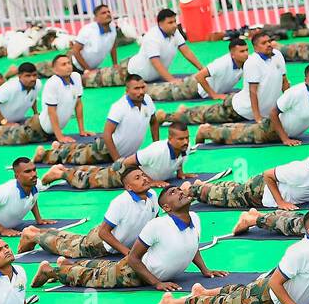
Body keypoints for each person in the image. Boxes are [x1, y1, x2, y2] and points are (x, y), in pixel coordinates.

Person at [155, 208, 309, 304]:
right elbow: (275, 284)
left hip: (269, 290)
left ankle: (203, 291)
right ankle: (172, 303)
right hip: (268, 300)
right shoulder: (301, 251)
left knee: (241, 290)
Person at [31, 185, 224, 290]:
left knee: (101, 268)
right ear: (166, 208)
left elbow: (192, 245)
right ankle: (52, 271)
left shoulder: (196, 219)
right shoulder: (158, 225)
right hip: (134, 273)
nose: (181, 192)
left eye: (180, 191)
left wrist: (205, 270)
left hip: (142, 271)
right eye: (173, 192)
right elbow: (132, 258)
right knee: (91, 277)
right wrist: (156, 282)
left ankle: (65, 264)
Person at [19, 165, 153, 258]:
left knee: (75, 239)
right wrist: (126, 252)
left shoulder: (152, 195)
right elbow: (103, 233)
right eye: (138, 178)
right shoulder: (121, 202)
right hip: (101, 243)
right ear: (128, 187)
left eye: (143, 175)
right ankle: (32, 235)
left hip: (113, 236)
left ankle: (36, 231)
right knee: (68, 246)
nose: (144, 178)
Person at [35, 74, 164, 165]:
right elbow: (107, 134)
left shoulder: (147, 100)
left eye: (142, 87)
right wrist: (117, 159)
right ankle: (46, 154)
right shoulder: (119, 107)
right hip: (106, 149)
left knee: (82, 150)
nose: (141, 91)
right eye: (136, 88)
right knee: (75, 157)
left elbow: (153, 122)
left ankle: (60, 147)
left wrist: (155, 146)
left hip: (126, 152)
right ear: (127, 91)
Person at [191, 63, 309, 147]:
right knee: (238, 135)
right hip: (272, 129)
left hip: (289, 132)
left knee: (243, 130)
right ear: (306, 80)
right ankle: (206, 131)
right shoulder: (296, 93)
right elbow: (273, 113)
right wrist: (285, 139)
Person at [171, 32, 288, 128]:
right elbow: (253, 92)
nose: (268, 44)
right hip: (234, 106)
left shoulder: (276, 55)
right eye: (264, 43)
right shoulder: (244, 63)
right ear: (256, 48)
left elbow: (284, 82)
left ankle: (186, 110)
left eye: (269, 41)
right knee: (202, 115)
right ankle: (170, 116)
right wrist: (257, 118)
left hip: (235, 98)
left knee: (208, 111)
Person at [185, 142, 309, 210]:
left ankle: (201, 185)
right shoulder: (300, 171)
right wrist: (280, 202)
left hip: (263, 187)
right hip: (260, 191)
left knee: (235, 188)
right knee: (224, 197)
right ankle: (192, 189)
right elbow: (268, 175)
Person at [0, 55, 85, 146]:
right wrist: (4, 122)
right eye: (63, 64)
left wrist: (82, 131)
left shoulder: (75, 77)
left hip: (39, 123)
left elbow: (78, 104)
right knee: (11, 137)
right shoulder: (52, 83)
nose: (68, 66)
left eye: (69, 63)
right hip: (34, 126)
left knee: (15, 130)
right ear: (54, 69)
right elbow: (51, 111)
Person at [46, 122, 192, 191]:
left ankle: (61, 163)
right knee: (89, 181)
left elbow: (179, 160)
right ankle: (60, 173)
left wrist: (180, 173)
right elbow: (128, 162)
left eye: (187, 138)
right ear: (170, 138)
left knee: (97, 172)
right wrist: (151, 181)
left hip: (137, 175)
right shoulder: (156, 151)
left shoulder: (186, 147)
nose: (185, 141)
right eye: (181, 139)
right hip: (125, 171)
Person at [145, 38, 248, 102]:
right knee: (163, 93)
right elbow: (199, 76)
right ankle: (142, 88)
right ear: (232, 54)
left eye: (247, 50)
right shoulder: (221, 64)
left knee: (165, 90)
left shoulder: (247, 63)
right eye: (242, 51)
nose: (246, 54)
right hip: (194, 87)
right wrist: (214, 95)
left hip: (200, 89)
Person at [127, 9, 208, 85]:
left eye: (175, 21)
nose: (175, 25)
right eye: (170, 22)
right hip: (136, 73)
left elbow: (186, 52)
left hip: (154, 75)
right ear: (160, 24)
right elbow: (155, 62)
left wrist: (202, 69)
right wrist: (172, 80)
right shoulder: (152, 37)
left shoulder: (175, 32)